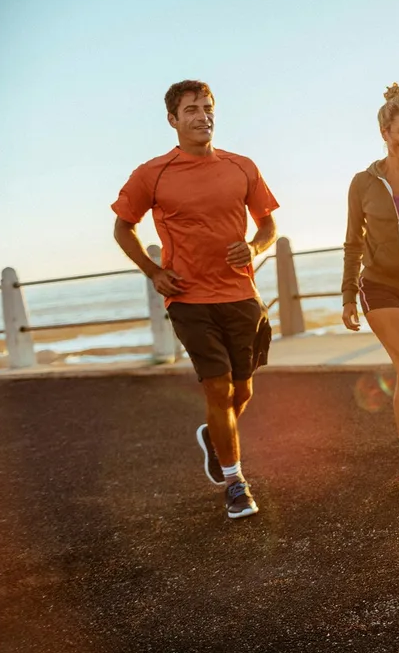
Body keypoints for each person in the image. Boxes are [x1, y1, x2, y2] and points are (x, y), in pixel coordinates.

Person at [112, 80, 278, 519]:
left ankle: (215, 436)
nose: (202, 116)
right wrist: (154, 273)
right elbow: (122, 228)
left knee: (243, 388)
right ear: (173, 120)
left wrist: (256, 248)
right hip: (188, 298)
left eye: (207, 108)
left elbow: (267, 226)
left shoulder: (242, 167)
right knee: (218, 386)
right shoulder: (153, 173)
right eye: (191, 110)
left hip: (242, 293)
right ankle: (235, 482)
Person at [341, 84, 399, 496]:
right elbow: (352, 240)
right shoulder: (363, 183)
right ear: (384, 130)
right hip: (378, 286)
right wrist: (347, 295)